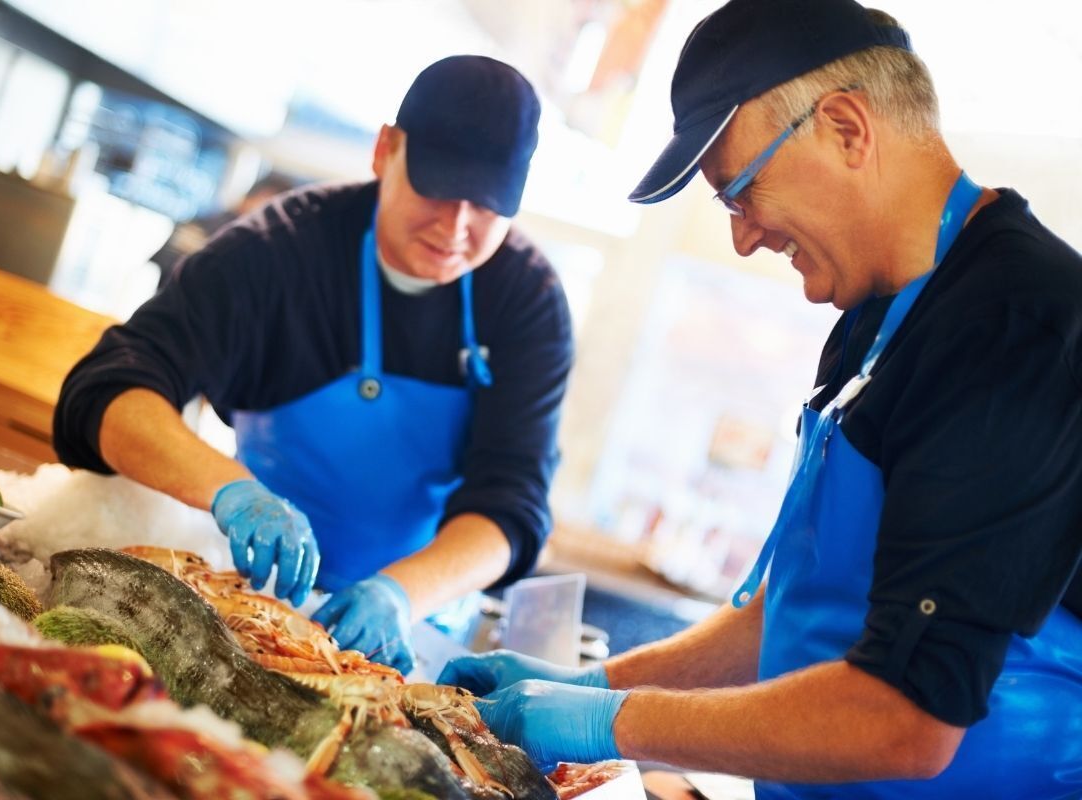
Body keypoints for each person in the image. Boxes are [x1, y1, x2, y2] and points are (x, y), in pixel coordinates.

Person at [439, 2, 1082, 797]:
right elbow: (783, 619)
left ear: (847, 129)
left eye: (739, 190)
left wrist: (612, 724)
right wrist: (595, 683)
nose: (743, 238)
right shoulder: (871, 317)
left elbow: (905, 721)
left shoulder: (1019, 326)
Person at [53, 55, 573, 676]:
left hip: (415, 626)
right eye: (437, 186)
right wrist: (232, 492)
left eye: (486, 204)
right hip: (252, 597)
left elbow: (514, 503)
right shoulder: (274, 254)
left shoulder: (527, 301)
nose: (455, 227)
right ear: (385, 150)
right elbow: (106, 389)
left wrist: (399, 594)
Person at [150, 172, 298, 289]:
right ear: (249, 198)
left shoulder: (258, 248)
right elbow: (164, 266)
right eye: (268, 204)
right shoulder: (206, 228)